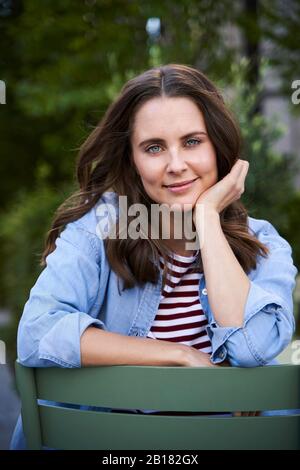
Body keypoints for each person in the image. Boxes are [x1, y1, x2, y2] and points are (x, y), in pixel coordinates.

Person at [10, 64, 298, 449]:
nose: (176, 165)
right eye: (154, 147)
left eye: (193, 141)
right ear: (132, 159)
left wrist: (208, 218)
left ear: (219, 145)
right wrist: (175, 355)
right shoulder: (99, 229)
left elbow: (251, 347)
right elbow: (37, 333)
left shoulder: (264, 245)